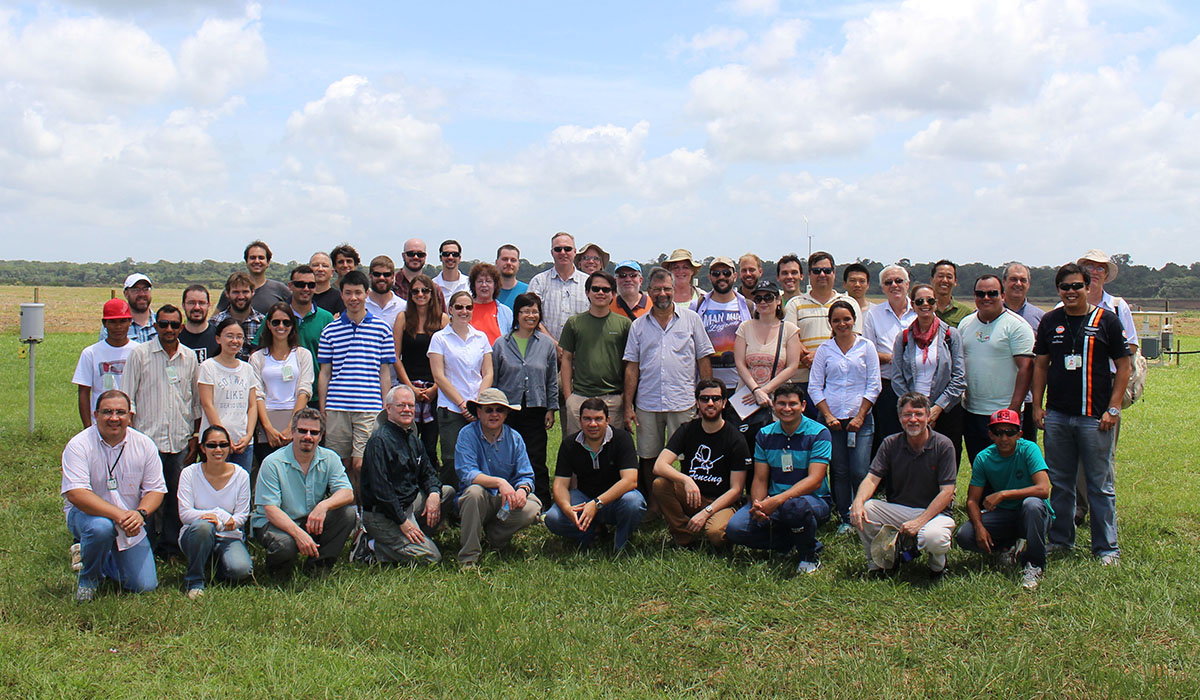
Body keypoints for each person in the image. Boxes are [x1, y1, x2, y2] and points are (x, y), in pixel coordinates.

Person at [1032, 263, 1130, 565]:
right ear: (1058, 290)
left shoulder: (1107, 321)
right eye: (1065, 287)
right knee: (1060, 482)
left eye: (1077, 286)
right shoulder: (1050, 321)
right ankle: (1061, 539)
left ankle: (1106, 547)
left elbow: (1123, 367)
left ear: (1088, 288)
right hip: (1059, 416)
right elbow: (1040, 365)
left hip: (1095, 417)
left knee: (1100, 485)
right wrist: (1037, 405)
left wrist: (1113, 408)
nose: (1071, 292)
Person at [61, 390, 166, 602]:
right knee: (101, 528)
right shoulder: (79, 445)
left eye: (120, 412)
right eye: (107, 412)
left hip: (130, 521)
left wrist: (140, 514)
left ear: (130, 415)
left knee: (144, 586)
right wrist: (119, 515)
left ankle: (98, 556)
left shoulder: (144, 444)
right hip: (87, 517)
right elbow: (76, 494)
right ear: (95, 414)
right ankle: (88, 579)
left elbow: (156, 490)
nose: (114, 418)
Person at [623, 268, 715, 504]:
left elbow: (703, 359)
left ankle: (683, 503)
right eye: (657, 289)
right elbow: (632, 368)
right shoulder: (638, 326)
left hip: (682, 400)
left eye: (666, 289)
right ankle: (654, 505)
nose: (662, 293)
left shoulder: (692, 320)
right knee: (648, 455)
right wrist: (628, 407)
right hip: (648, 402)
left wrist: (706, 397)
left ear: (674, 290)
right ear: (649, 291)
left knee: (685, 456)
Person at [725, 384, 833, 574]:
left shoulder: (819, 433)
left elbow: (815, 480)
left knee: (794, 508)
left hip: (813, 500)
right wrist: (758, 505)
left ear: (804, 406)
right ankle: (791, 541)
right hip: (773, 500)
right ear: (773, 406)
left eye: (793, 404)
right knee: (735, 529)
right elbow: (759, 478)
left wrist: (777, 501)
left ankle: (809, 555)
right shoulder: (765, 434)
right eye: (781, 403)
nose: (787, 408)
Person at [850, 392, 957, 580]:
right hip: (900, 509)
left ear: (928, 417)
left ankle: (938, 568)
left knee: (934, 538)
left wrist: (919, 522)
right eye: (907, 415)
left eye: (919, 414)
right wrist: (858, 502)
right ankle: (880, 563)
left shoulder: (943, 445)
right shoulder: (890, 443)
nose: (913, 420)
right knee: (864, 510)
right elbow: (871, 479)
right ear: (900, 418)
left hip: (935, 513)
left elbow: (947, 493)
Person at [123, 304, 200, 558]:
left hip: (179, 439)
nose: (169, 329)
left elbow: (195, 402)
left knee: (175, 497)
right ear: (155, 326)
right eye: (163, 324)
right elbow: (128, 398)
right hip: (147, 440)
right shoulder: (140, 354)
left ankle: (170, 547)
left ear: (181, 327)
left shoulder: (189, 357)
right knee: (144, 497)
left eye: (174, 325)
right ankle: (141, 546)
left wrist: (194, 436)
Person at [954, 409, 1052, 591]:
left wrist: (1004, 494)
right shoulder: (983, 458)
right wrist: (979, 527)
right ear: (991, 435)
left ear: (1019, 434)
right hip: (1005, 514)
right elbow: (972, 501)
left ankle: (1035, 564)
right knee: (964, 535)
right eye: (998, 432)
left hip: (1034, 515)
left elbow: (1043, 489)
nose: (1004, 438)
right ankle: (1007, 547)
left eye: (1010, 432)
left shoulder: (1029, 450)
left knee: (1031, 505)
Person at [318, 269, 395, 494]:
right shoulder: (330, 331)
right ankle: (348, 513)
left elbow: (385, 372)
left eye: (358, 293)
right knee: (340, 465)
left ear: (366, 294)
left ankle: (365, 511)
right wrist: (323, 407)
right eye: (348, 293)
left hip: (369, 407)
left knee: (362, 464)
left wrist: (385, 406)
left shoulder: (381, 329)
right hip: (337, 407)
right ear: (341, 295)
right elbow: (325, 373)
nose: (353, 298)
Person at [253, 408, 356, 575]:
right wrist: (299, 534)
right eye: (302, 431)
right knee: (286, 545)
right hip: (273, 523)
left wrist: (323, 506)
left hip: (308, 519)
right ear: (293, 432)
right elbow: (270, 510)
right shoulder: (272, 463)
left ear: (321, 436)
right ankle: (277, 573)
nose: (308, 436)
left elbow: (347, 492)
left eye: (314, 432)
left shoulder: (330, 458)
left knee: (347, 515)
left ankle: (318, 567)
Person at [809, 300, 881, 535]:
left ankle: (863, 513)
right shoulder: (824, 350)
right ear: (830, 323)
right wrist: (828, 416)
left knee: (860, 470)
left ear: (854, 320)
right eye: (836, 320)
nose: (842, 324)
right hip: (833, 422)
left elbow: (874, 385)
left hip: (861, 420)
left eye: (846, 319)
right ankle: (844, 517)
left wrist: (860, 415)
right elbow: (815, 386)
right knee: (839, 470)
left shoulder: (866, 347)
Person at [358, 386, 451, 566]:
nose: (407, 409)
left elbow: (428, 472)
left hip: (409, 504)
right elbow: (381, 490)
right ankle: (372, 546)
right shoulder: (379, 441)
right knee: (432, 558)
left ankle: (414, 538)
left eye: (410, 405)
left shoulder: (412, 439)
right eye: (401, 405)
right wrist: (402, 522)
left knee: (446, 493)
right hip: (383, 515)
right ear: (388, 409)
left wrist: (433, 493)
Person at [651, 379, 749, 547]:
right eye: (704, 399)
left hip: (721, 502)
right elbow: (659, 465)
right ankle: (685, 535)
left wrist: (706, 513)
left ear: (724, 403)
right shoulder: (687, 430)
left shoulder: (736, 439)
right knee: (660, 484)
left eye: (716, 399)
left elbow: (736, 490)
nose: (710, 403)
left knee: (716, 535)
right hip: (693, 496)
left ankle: (709, 527)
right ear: (697, 402)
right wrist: (686, 480)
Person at [454, 389, 542, 566]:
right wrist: (499, 482)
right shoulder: (467, 434)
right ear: (479, 412)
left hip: (505, 502)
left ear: (506, 413)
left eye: (499, 410)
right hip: (479, 501)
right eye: (489, 410)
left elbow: (526, 476)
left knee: (534, 506)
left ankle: (495, 538)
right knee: (473, 492)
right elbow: (467, 472)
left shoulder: (515, 438)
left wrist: (522, 491)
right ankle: (469, 557)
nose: (494, 414)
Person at [544, 398, 645, 552]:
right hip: (584, 498)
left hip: (616, 500)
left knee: (634, 502)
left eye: (598, 419)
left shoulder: (621, 439)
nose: (592, 424)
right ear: (580, 420)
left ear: (607, 420)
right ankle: (590, 535)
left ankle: (621, 545)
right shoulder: (569, 444)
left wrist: (597, 503)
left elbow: (630, 481)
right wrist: (566, 508)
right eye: (587, 419)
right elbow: (560, 484)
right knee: (553, 518)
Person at [958, 274, 1035, 465]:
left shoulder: (1016, 326)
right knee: (980, 465)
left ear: (1002, 295)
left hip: (1004, 412)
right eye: (980, 293)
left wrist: (1014, 410)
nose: (986, 298)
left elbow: (1026, 368)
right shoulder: (965, 324)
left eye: (992, 293)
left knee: (1007, 468)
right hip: (973, 410)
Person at [492, 292, 558, 507]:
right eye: (526, 311)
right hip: (507, 409)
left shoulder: (546, 344)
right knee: (507, 455)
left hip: (536, 407)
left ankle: (541, 502)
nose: (531, 316)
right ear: (517, 315)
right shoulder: (502, 343)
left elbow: (551, 379)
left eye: (535, 311)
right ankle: (507, 500)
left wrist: (551, 408)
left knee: (536, 457)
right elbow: (494, 377)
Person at [891, 283, 967, 466]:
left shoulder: (951, 334)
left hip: (946, 409)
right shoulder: (903, 338)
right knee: (916, 458)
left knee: (947, 456)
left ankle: (948, 493)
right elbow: (897, 377)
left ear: (936, 303)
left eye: (930, 300)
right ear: (913, 305)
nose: (925, 304)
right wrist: (913, 406)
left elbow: (959, 377)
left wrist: (937, 408)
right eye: (920, 301)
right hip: (914, 410)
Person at [177, 426, 253, 599]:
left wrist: (216, 518)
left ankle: (212, 565)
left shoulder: (241, 475)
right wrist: (218, 518)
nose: (218, 450)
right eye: (212, 445)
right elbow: (185, 514)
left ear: (229, 447)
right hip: (196, 535)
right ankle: (194, 581)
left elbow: (242, 517)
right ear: (202, 448)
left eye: (223, 445)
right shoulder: (189, 473)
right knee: (203, 527)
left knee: (241, 569)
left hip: (228, 536)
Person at [428, 290, 494, 487]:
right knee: (451, 459)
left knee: (479, 456)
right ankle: (449, 506)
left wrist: (477, 403)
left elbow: (488, 373)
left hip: (478, 407)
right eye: (459, 307)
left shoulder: (481, 338)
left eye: (468, 307)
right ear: (450, 310)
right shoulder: (439, 338)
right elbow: (439, 376)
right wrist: (462, 404)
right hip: (451, 409)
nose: (464, 311)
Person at [393, 274, 448, 492]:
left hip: (435, 387)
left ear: (432, 294)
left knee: (430, 445)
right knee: (406, 442)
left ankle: (432, 490)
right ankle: (407, 488)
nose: (420, 295)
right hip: (408, 388)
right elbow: (395, 356)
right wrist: (409, 388)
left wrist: (436, 387)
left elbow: (448, 358)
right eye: (415, 291)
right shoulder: (403, 318)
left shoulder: (443, 320)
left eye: (425, 291)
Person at [783, 251, 862, 404]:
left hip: (839, 379)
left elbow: (854, 341)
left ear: (834, 272)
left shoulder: (849, 303)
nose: (822, 275)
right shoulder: (795, 303)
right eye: (817, 271)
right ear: (809, 274)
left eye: (827, 270)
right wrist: (811, 358)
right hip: (803, 379)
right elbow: (790, 339)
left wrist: (819, 358)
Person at [733, 280, 802, 450]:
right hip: (746, 396)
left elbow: (792, 366)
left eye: (768, 298)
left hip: (778, 398)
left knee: (777, 447)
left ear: (778, 301)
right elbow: (740, 363)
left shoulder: (789, 330)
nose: (763, 302)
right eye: (759, 298)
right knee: (745, 448)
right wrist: (756, 390)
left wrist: (765, 391)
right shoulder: (745, 327)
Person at [559, 271, 631, 435]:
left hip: (613, 398)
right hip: (580, 397)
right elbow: (567, 359)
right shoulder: (574, 323)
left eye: (605, 290)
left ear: (613, 294)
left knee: (611, 450)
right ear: (587, 292)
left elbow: (630, 364)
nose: (600, 293)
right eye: (595, 289)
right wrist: (569, 397)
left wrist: (624, 399)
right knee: (576, 449)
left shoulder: (624, 325)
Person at [250, 265, 333, 390]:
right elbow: (257, 349)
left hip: (315, 392)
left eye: (311, 285)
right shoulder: (276, 316)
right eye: (300, 284)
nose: (306, 289)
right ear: (290, 286)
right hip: (280, 395)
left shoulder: (326, 318)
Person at [250, 302, 315, 462]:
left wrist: (292, 427)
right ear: (268, 325)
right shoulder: (257, 358)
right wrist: (268, 428)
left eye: (286, 322)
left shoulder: (302, 355)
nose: (281, 326)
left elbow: (304, 390)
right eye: (276, 322)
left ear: (293, 326)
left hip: (296, 420)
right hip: (266, 421)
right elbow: (257, 394)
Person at [862, 264, 916, 449]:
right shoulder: (873, 315)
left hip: (917, 386)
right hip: (887, 388)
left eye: (899, 281)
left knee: (916, 439)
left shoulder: (921, 311)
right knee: (888, 441)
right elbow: (867, 354)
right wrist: (893, 358)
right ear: (883, 287)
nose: (894, 285)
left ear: (907, 284)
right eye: (888, 282)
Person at [198, 318, 259, 472]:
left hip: (243, 441)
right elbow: (207, 404)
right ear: (218, 338)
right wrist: (223, 438)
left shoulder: (247, 368)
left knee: (241, 488)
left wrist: (249, 435)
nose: (235, 341)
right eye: (229, 336)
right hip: (216, 443)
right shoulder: (208, 367)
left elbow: (252, 405)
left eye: (239, 337)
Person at [691, 255, 752, 395]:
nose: (721, 277)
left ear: (735, 276)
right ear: (710, 277)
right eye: (716, 274)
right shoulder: (697, 306)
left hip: (740, 385)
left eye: (726, 273)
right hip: (707, 384)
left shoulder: (748, 306)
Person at [74, 299, 139, 428]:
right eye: (113, 322)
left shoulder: (138, 351)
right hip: (100, 423)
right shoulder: (91, 353)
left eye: (122, 321)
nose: (118, 327)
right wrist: (88, 427)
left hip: (132, 423)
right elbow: (84, 392)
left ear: (130, 322)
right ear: (105, 323)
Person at [1002, 262, 1045, 442]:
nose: (1018, 284)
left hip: (1027, 399)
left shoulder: (1040, 318)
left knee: (1025, 448)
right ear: (1003, 282)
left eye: (1023, 280)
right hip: (995, 396)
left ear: (1028, 284)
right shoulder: (987, 314)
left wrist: (1037, 402)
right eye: (1013, 279)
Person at [528, 231, 590, 340]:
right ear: (552, 252)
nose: (563, 252)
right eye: (558, 249)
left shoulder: (588, 282)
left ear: (575, 252)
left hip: (580, 350)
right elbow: (530, 316)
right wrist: (554, 345)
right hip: (544, 350)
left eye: (567, 249)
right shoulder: (538, 281)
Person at [217, 240, 290, 314]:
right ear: (246, 262)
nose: (257, 261)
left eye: (261, 258)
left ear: (268, 262)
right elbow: (215, 320)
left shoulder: (280, 289)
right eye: (252, 258)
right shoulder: (233, 290)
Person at [210, 272, 263, 361]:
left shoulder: (263, 323)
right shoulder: (215, 323)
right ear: (227, 294)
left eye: (245, 292)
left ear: (253, 292)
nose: (241, 296)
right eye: (236, 292)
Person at [101, 273, 156, 343]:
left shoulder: (163, 323)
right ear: (126, 293)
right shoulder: (113, 326)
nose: (142, 294)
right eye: (136, 289)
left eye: (145, 289)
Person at [467, 262, 513, 344]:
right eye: (480, 281)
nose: (484, 285)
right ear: (473, 285)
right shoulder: (465, 310)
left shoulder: (506, 312)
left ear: (495, 285)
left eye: (488, 281)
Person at [395, 238, 444, 309]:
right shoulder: (392, 284)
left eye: (420, 254)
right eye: (410, 254)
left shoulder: (434, 289)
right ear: (403, 256)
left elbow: (443, 318)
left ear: (425, 257)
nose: (415, 257)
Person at [365, 255, 408, 331]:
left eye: (386, 274)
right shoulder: (361, 305)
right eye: (377, 274)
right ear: (370, 276)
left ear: (392, 277)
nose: (381, 278)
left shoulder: (403, 307)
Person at [179, 284, 219, 362]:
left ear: (208, 305)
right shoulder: (175, 338)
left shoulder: (219, 337)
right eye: (191, 303)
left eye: (201, 303)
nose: (197, 307)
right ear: (183, 305)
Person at [931, 260, 972, 327]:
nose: (944, 280)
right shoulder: (924, 308)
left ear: (955, 282)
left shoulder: (966, 313)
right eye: (940, 276)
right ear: (932, 280)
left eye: (949, 277)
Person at [433, 239, 470, 305]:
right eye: (446, 254)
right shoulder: (432, 285)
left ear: (460, 258)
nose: (450, 257)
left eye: (455, 254)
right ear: (440, 258)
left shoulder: (470, 284)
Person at [309, 251, 345, 315]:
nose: (320, 269)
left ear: (332, 272)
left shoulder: (341, 298)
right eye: (316, 265)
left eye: (324, 266)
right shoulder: (302, 297)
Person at [494, 244, 528, 309]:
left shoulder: (527, 291)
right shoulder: (488, 291)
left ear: (518, 264)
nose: (509, 263)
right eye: (504, 259)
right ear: (496, 262)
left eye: (513, 260)